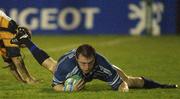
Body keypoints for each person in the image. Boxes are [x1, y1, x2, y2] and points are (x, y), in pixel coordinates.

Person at [11, 29, 178, 92]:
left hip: (101, 69)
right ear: (77, 58)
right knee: (53, 67)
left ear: (94, 58)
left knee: (128, 79)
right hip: (66, 64)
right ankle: (26, 40)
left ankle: (163, 85)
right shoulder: (67, 65)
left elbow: (122, 85)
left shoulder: (101, 63)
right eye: (83, 63)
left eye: (90, 62)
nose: (86, 66)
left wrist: (124, 90)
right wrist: (68, 91)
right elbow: (55, 86)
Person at [0, 10, 38, 84]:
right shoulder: (11, 27)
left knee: (8, 57)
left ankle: (22, 80)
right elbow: (15, 57)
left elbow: (8, 61)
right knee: (15, 55)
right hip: (3, 23)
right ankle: (28, 80)